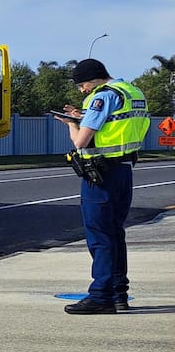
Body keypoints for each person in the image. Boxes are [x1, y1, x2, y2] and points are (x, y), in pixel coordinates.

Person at [59, 59, 148, 314]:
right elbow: (113, 126)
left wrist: (71, 123)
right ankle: (119, 294)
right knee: (115, 234)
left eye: (82, 84)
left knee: (100, 236)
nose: (82, 90)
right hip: (123, 170)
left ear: (93, 78)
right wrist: (82, 116)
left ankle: (101, 296)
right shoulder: (131, 92)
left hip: (100, 175)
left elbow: (81, 142)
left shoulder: (101, 97)